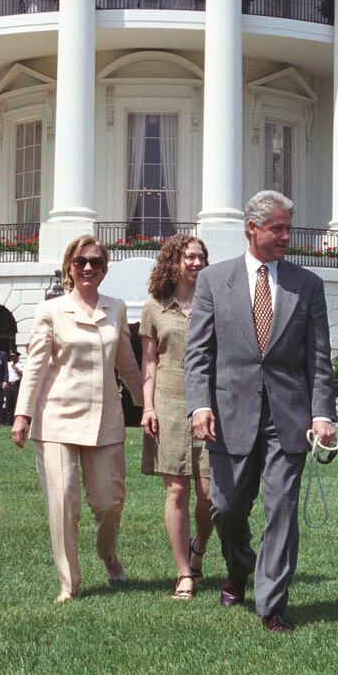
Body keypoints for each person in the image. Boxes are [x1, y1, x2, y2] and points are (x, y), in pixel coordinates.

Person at [185, 190, 336, 633]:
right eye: (278, 229)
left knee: (282, 511)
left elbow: (319, 357)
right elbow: (198, 353)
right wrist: (199, 405)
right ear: (252, 228)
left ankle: (271, 606)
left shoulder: (308, 284)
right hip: (229, 414)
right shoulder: (214, 280)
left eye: (289, 228)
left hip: (287, 418)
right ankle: (238, 567)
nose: (287, 237)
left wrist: (322, 413)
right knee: (227, 507)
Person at [11, 235, 143, 603]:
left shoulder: (116, 309)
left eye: (96, 262)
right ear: (70, 265)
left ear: (104, 269)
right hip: (55, 418)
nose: (88, 268)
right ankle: (69, 583)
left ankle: (109, 556)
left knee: (108, 502)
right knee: (63, 502)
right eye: (81, 261)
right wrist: (22, 413)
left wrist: (146, 406)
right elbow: (35, 367)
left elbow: (128, 365)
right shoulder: (51, 310)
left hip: (105, 420)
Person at [140, 234, 214, 600]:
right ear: (173, 261)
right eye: (189, 256)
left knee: (210, 493)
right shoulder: (155, 306)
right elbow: (149, 362)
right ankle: (184, 572)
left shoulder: (214, 302)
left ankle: (198, 550)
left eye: (201, 257)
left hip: (208, 405)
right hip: (167, 403)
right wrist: (148, 407)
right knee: (176, 489)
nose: (197, 263)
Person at [5, 351, 23, 424]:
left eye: (13, 357)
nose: (12, 358)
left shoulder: (21, 364)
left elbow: (21, 373)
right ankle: (9, 420)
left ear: (17, 357)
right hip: (9, 384)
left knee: (16, 402)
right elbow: (5, 373)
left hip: (17, 384)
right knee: (9, 402)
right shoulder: (8, 364)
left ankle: (15, 419)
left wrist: (15, 368)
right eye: (11, 357)